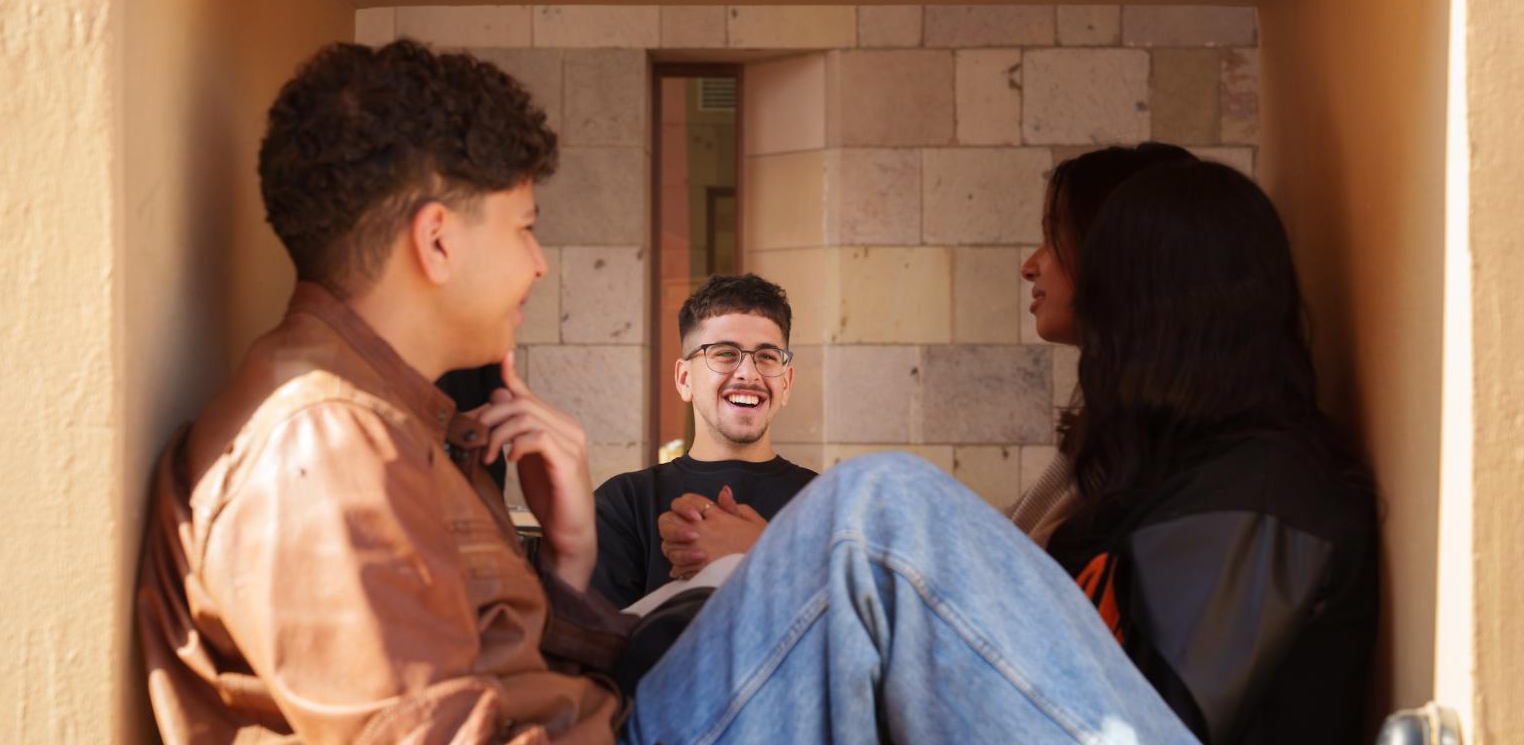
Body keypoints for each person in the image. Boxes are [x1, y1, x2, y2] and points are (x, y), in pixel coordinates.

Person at [134, 38, 1198, 743]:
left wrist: (564, 564)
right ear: (437, 238)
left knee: (870, 521)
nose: (541, 264)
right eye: (527, 227)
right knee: (876, 519)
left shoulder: (386, 423)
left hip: (625, 707)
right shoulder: (316, 448)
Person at [1040, 159, 1380, 743]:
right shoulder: (1187, 481)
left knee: (882, 501)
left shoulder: (1264, 497)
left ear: (1148, 319)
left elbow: (1142, 731)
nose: (1095, 348)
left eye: (1104, 306)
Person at [591, 274, 817, 609]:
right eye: (726, 354)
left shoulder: (826, 504)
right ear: (685, 380)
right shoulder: (624, 504)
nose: (749, 373)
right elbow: (602, 647)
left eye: (767, 357)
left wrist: (755, 554)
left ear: (787, 382)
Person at [1013, 143, 1196, 545]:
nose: (1029, 266)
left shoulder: (1165, 454)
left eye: (1052, 236)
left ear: (1115, 254)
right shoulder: (1110, 424)